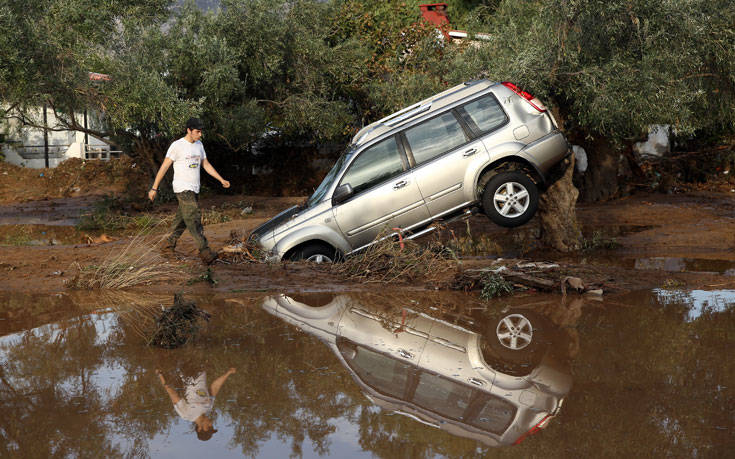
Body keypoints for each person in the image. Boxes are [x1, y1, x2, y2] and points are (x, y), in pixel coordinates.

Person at [148, 118, 230, 264]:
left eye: (201, 132)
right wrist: (154, 187)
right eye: (197, 131)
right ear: (189, 130)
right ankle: (205, 251)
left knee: (182, 220)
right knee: (193, 216)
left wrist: (221, 179)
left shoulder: (199, 145)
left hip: (194, 189)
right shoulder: (177, 145)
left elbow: (206, 164)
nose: (200, 134)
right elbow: (164, 167)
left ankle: (167, 247)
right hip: (182, 188)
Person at [156, 367, 236, 441]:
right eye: (212, 426)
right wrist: (228, 373)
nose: (211, 424)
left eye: (208, 427)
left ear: (199, 429)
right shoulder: (209, 407)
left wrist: (160, 375)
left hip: (185, 370)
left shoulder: (186, 415)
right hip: (200, 366)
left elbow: (172, 393)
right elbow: (215, 387)